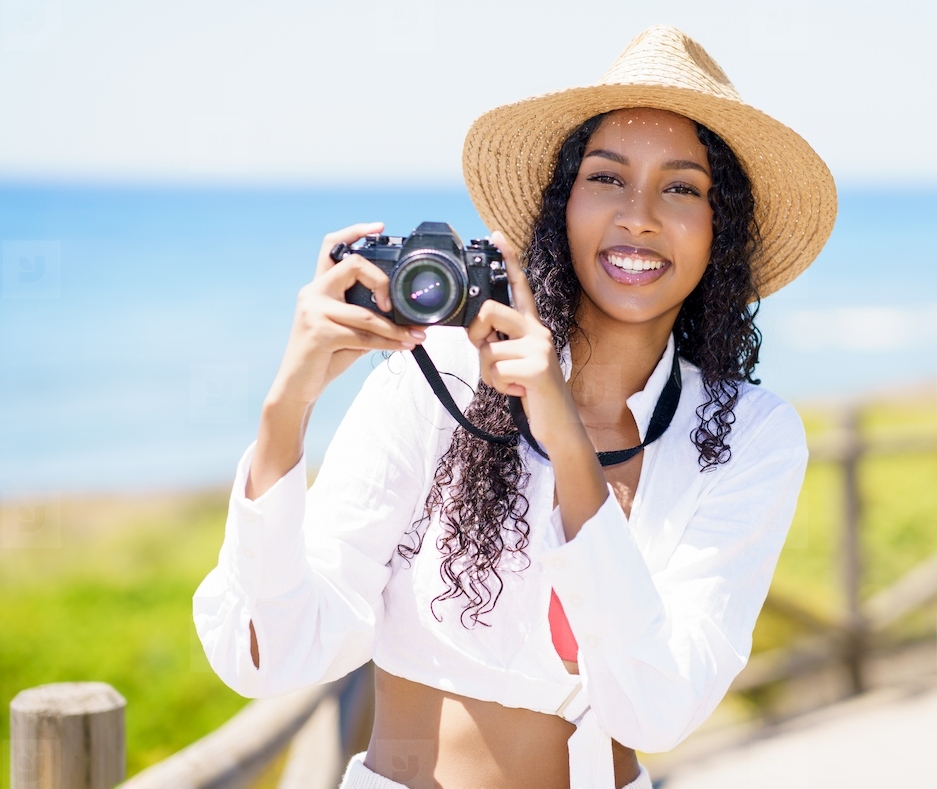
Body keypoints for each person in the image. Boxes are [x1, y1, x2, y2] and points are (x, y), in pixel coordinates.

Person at [193, 24, 836, 789]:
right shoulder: (444, 372)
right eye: (607, 178)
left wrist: (565, 437)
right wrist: (286, 410)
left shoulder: (748, 435)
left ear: (718, 229)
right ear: (561, 205)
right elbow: (271, 653)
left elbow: (657, 712)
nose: (638, 215)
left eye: (681, 187)